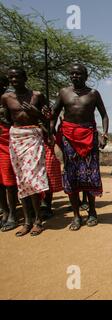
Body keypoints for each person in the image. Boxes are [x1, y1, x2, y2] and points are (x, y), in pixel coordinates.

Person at [51, 63, 109, 231]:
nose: (75, 76)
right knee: (71, 175)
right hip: (68, 138)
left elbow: (104, 114)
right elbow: (54, 114)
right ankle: (76, 216)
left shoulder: (93, 94)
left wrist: (104, 134)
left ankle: (92, 211)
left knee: (91, 175)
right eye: (72, 73)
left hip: (89, 136)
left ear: (86, 76)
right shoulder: (63, 93)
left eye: (78, 74)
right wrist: (51, 133)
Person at [2, 67, 50, 237]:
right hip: (16, 138)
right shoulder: (6, 98)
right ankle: (28, 221)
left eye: (17, 77)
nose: (14, 80)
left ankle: (38, 221)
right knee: (21, 179)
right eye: (11, 78)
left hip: (33, 137)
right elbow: (8, 119)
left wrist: (35, 112)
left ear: (25, 78)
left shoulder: (37, 96)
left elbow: (47, 117)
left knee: (33, 178)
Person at [0, 72, 18, 231]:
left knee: (8, 180)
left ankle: (13, 213)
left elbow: (15, 120)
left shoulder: (9, 98)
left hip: (7, 141)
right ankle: (4, 211)